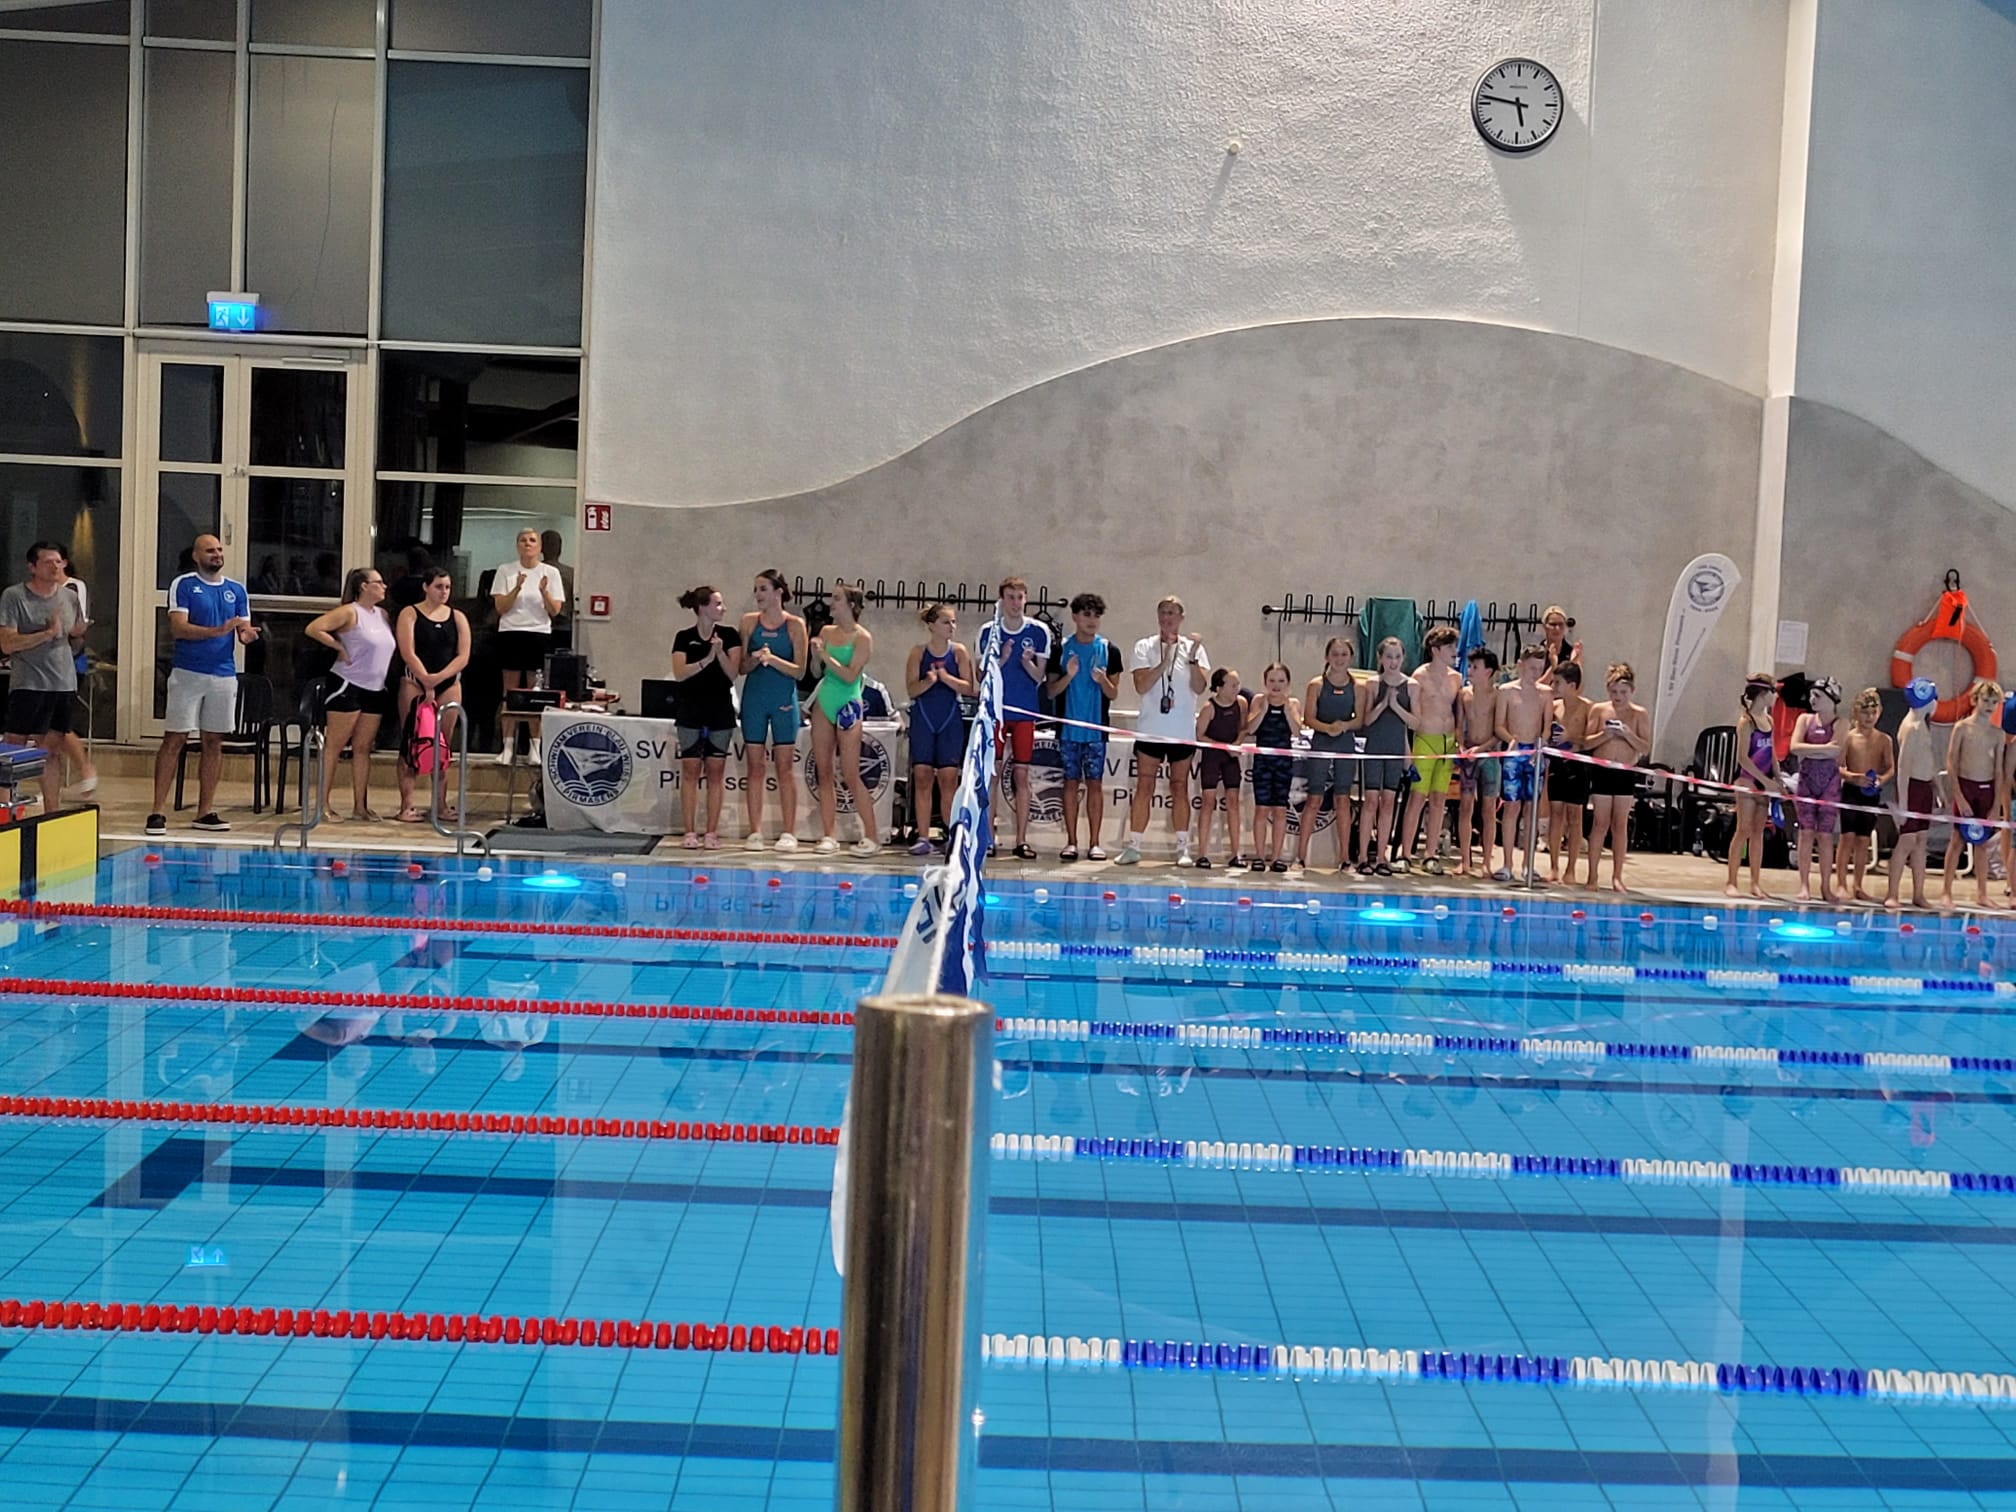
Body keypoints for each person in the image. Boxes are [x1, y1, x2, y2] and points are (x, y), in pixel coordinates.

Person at [147, 534, 257, 836]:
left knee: (213, 741)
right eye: (210, 550)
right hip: (188, 672)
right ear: (196, 556)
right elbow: (179, 629)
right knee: (175, 739)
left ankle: (204, 811)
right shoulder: (184, 585)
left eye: (219, 549)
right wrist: (217, 631)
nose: (216, 554)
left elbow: (243, 629)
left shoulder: (236, 590)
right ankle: (157, 811)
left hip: (223, 674)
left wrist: (247, 635)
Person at [1118, 596, 1210, 867]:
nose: (1167, 617)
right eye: (1163, 612)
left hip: (1181, 731)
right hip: (1151, 730)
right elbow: (1141, 686)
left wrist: (1191, 659)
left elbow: (1199, 687)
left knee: (1179, 787)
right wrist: (1163, 662)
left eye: (1172, 613)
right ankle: (1134, 846)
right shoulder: (1144, 646)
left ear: (1181, 617)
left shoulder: (1194, 649)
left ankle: (1182, 848)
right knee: (1144, 785)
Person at [0, 541, 87, 815]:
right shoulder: (15, 596)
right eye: (48, 562)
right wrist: (45, 634)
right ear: (32, 567)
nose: (55, 567)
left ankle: (52, 812)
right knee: (14, 745)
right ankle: (5, 809)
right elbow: (7, 643)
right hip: (29, 683)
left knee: (51, 750)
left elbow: (74, 636)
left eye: (59, 562)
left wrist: (78, 635)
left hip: (62, 682)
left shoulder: (70, 597)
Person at [305, 568, 395, 822]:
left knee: (363, 748)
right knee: (334, 746)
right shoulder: (349, 612)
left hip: (375, 687)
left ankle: (360, 806)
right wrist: (338, 647)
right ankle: (322, 804)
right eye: (379, 582)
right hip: (348, 684)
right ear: (364, 586)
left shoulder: (382, 615)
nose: (384, 586)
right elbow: (314, 628)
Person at [975, 578, 1052, 859]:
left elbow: (1039, 677)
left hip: (1024, 712)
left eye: (1020, 597)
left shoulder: (1039, 631)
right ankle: (988, 838)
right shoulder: (988, 631)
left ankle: (1021, 840)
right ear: (1001, 600)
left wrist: (1026, 662)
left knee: (1022, 775)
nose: (1016, 603)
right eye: (1010, 597)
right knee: (992, 775)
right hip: (995, 713)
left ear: (1026, 599)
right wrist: (1003, 660)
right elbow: (981, 676)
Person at [1045, 593, 1121, 862]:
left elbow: (1113, 694)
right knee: (1070, 783)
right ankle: (1071, 842)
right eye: (1086, 614)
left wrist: (1102, 681)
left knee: (1095, 784)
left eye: (1096, 615)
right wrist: (1070, 675)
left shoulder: (1109, 650)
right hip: (1068, 731)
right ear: (1075, 617)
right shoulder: (1061, 649)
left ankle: (1095, 843)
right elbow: (1051, 691)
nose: (1092, 620)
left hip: (1096, 731)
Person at [808, 579, 881, 856]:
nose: (831, 603)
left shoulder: (862, 638)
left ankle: (871, 836)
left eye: (837, 598)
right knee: (824, 771)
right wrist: (815, 656)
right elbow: (816, 672)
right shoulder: (826, 631)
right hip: (825, 700)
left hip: (848, 702)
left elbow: (851, 675)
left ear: (851, 605)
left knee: (850, 772)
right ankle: (829, 835)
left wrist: (825, 655)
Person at [393, 568, 471, 823]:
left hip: (448, 683)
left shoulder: (457, 617)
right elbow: (407, 651)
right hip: (415, 681)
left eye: (447, 587)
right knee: (411, 743)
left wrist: (437, 679)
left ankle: (440, 804)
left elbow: (463, 656)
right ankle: (407, 805)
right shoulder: (410, 613)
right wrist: (425, 679)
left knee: (443, 746)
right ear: (426, 587)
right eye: (438, 586)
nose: (444, 592)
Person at [739, 568, 808, 850]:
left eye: (763, 589)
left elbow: (800, 671)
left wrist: (773, 659)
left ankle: (789, 832)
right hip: (755, 698)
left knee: (784, 767)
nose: (758, 595)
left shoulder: (795, 625)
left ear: (779, 592)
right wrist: (756, 659)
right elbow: (742, 667)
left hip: (782, 700)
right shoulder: (748, 622)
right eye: (756, 589)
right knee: (755, 767)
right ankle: (755, 831)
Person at [670, 585, 744, 849]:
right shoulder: (684, 637)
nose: (723, 608)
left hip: (719, 708)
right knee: (690, 769)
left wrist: (720, 653)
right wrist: (707, 658)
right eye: (718, 604)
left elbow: (733, 673)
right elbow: (680, 673)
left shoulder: (729, 635)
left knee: (715, 771)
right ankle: (689, 831)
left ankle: (711, 832)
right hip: (691, 708)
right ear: (702, 607)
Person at [489, 529, 565, 765]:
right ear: (517, 545)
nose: (527, 544)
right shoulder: (506, 570)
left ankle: (535, 748)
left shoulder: (550, 573)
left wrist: (543, 591)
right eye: (523, 540)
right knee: (510, 692)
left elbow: (555, 610)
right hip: (511, 633)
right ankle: (507, 746)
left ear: (540, 546)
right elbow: (501, 607)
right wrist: (517, 587)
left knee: (535, 693)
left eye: (532, 540)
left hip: (539, 634)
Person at [906, 604, 976, 856]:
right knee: (922, 776)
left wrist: (946, 678)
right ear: (932, 625)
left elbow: (970, 688)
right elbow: (911, 689)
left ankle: (952, 834)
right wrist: (929, 681)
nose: (952, 627)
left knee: (948, 780)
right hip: (924, 719)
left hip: (949, 720)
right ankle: (923, 837)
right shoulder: (918, 652)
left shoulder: (958, 652)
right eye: (947, 622)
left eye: (954, 622)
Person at [1396, 627, 1461, 875]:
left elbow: (1459, 712)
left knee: (1438, 799)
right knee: (1416, 798)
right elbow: (1411, 714)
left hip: (1447, 742)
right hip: (1425, 740)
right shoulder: (1419, 676)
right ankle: (1405, 853)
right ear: (1436, 650)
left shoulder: (1456, 678)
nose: (1454, 651)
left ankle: (1430, 854)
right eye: (1450, 647)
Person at [1581, 663, 1650, 892]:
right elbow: (1586, 743)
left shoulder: (1639, 714)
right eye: (1613, 692)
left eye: (1623, 692)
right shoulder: (1599, 710)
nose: (1618, 697)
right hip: (1602, 771)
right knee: (1600, 823)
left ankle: (1617, 877)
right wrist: (1606, 735)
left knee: (1620, 824)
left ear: (1632, 691)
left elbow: (1645, 747)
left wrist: (1628, 734)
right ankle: (1592, 876)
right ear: (1607, 690)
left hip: (1625, 772)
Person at [1297, 639, 1362, 873]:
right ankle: (1300, 857)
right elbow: (1308, 717)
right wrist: (1328, 728)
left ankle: (1345, 858)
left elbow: (1360, 720)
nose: (1339, 658)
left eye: (1344, 654)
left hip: (1345, 744)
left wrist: (1344, 726)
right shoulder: (1316, 685)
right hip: (1321, 742)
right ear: (1327, 657)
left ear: (1350, 658)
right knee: (1314, 799)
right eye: (1335, 654)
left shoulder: (1358, 687)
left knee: (1342, 799)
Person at [1354, 636, 1416, 876]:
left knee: (1389, 802)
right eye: (1389, 657)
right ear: (1380, 658)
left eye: (1397, 657)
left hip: (1395, 750)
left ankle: (1382, 856)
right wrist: (1383, 704)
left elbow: (1415, 722)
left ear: (1403, 659)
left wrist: (1396, 706)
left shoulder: (1411, 686)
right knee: (1370, 801)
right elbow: (1366, 720)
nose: (1393, 662)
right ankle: (1362, 856)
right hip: (1374, 748)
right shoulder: (1371, 684)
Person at [1942, 679, 2004, 911]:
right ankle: (1946, 891)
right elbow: (1951, 762)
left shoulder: (1997, 734)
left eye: (1994, 702)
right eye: (1985, 700)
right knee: (1957, 840)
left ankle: (1982, 893)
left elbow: (1998, 771)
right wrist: (1958, 796)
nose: (1989, 706)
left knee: (1983, 843)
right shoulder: (1962, 727)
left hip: (1987, 789)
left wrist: (1996, 805)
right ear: (1975, 700)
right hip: (1965, 786)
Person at [1495, 644, 1550, 883]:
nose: (1535, 673)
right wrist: (1511, 740)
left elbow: (1547, 727)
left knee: (1531, 809)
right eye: (1531, 668)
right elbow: (1499, 725)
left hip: (1535, 753)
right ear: (1520, 666)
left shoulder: (1545, 694)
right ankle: (1507, 863)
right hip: (1514, 753)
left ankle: (1528, 863)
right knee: (1511, 807)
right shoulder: (1506, 691)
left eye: (1539, 668)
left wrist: (1541, 744)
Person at [1835, 688, 1895, 903]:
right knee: (1847, 838)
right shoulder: (1849, 738)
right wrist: (1851, 776)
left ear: (1879, 713)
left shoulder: (1884, 740)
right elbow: (1838, 766)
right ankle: (1841, 884)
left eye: (1873, 713)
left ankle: (1858, 885)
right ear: (1855, 712)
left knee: (1863, 840)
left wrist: (1881, 779)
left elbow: (1890, 768)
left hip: (1871, 793)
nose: (1869, 717)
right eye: (1865, 712)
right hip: (1851, 791)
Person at [1886, 678, 1941, 911]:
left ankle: (1919, 894)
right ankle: (1892, 894)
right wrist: (1904, 804)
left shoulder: (1922, 725)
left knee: (1921, 842)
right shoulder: (1911, 727)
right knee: (1907, 840)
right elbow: (1903, 768)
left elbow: (1928, 761)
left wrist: (1938, 788)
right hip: (1912, 788)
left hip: (1924, 788)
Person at [1789, 677, 1846, 904]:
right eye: (1812, 695)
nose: (1812, 699)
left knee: (1825, 836)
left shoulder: (1841, 723)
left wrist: (1809, 750)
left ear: (1832, 699)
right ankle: (1804, 885)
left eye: (1818, 696)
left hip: (1830, 784)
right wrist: (1825, 748)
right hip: (1806, 781)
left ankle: (1825, 887)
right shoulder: (1804, 719)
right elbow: (1794, 747)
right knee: (1805, 834)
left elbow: (1837, 750)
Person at [1243, 664, 1301, 873]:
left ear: (1288, 684)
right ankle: (1259, 856)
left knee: (1280, 810)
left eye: (1281, 681)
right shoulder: (1259, 701)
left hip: (1283, 763)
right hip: (1263, 763)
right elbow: (1251, 729)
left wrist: (1286, 710)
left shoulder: (1293, 703)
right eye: (1272, 681)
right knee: (1261, 809)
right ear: (1265, 683)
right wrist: (1264, 710)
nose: (1276, 685)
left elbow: (1296, 731)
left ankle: (1276, 857)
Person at [1725, 675, 1778, 900]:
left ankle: (1755, 882)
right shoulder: (1746, 722)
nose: (1776, 696)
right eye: (1773, 692)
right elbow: (1743, 759)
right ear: (1764, 694)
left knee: (1758, 832)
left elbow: (1772, 754)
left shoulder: (1769, 720)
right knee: (1743, 830)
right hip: (1747, 780)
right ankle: (1731, 881)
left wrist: (1777, 779)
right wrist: (1765, 781)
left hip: (1765, 780)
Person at [51, 546, 96, 798]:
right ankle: (52, 787)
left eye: (56, 562)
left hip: (70, 662)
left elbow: (77, 626)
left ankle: (85, 768)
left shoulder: (74, 588)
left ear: (64, 563)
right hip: (42, 665)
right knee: (46, 730)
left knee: (57, 723)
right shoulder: (32, 592)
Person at [1545, 662, 1595, 883]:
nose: (1553, 686)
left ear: (1572, 685)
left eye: (1558, 683)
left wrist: (1570, 738)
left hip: (1579, 765)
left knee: (1575, 817)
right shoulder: (1554, 707)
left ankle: (1571, 869)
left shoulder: (1588, 708)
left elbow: (1592, 741)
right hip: (1558, 763)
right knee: (1555, 814)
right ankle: (1554, 867)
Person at [1454, 648, 1501, 879]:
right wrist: (1461, 747)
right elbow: (1459, 726)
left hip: (1489, 755)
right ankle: (1465, 859)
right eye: (1470, 666)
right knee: (1465, 807)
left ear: (1488, 672)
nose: (1470, 671)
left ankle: (1486, 861)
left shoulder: (1497, 696)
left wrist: (1480, 750)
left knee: (1488, 810)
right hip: (1469, 756)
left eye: (1475, 667)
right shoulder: (1464, 694)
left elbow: (1499, 731)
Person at [1195, 668, 1247, 869]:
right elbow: (1200, 736)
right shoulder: (1209, 708)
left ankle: (1236, 853)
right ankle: (1202, 854)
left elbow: (1243, 728)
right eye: (1232, 685)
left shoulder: (1241, 703)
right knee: (1208, 802)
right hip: (1212, 757)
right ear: (1219, 688)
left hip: (1230, 758)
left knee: (1233, 801)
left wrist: (1237, 744)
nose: (1237, 689)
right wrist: (1224, 747)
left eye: (1237, 684)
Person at [1538, 605, 1581, 673]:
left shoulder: (1571, 652)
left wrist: (1574, 663)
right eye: (1553, 624)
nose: (1557, 628)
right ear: (1544, 626)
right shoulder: (1537, 653)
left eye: (1561, 624)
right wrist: (1553, 666)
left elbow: (1577, 679)